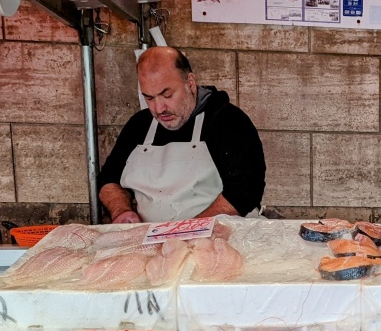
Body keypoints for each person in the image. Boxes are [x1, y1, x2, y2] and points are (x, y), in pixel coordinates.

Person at [99, 46, 266, 223]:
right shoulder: (139, 125)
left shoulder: (227, 120)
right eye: (149, 98)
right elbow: (108, 178)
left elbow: (245, 190)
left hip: (217, 239)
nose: (159, 108)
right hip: (151, 241)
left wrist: (187, 231)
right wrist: (121, 210)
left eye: (167, 94)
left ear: (191, 83)